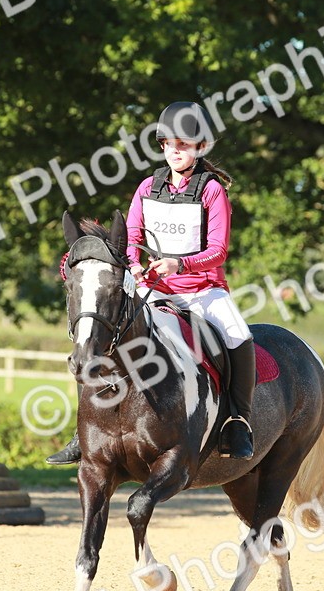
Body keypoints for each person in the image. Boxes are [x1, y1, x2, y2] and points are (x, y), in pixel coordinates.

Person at [47, 101, 256, 464]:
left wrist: (180, 263)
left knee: (239, 336)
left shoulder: (212, 191)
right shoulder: (148, 186)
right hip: (154, 287)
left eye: (185, 144)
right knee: (102, 332)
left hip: (203, 291)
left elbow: (219, 250)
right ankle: (84, 429)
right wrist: (134, 265)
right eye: (170, 144)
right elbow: (130, 236)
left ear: (200, 148)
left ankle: (237, 420)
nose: (176, 151)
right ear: (162, 146)